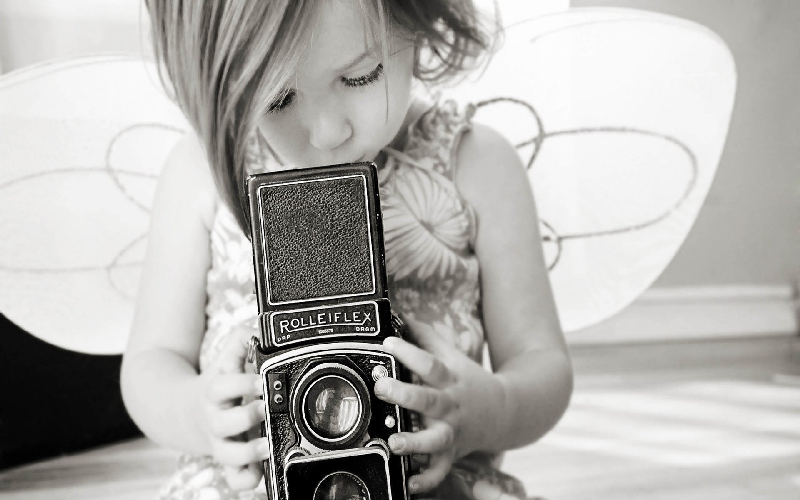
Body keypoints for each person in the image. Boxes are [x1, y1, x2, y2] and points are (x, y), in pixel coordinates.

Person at [121, 1, 574, 499]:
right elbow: (151, 362)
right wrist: (200, 415)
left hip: (437, 481)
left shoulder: (476, 165)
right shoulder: (199, 173)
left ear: (416, 22)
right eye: (276, 99)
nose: (327, 131)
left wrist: (491, 409)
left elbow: (542, 364)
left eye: (360, 76)